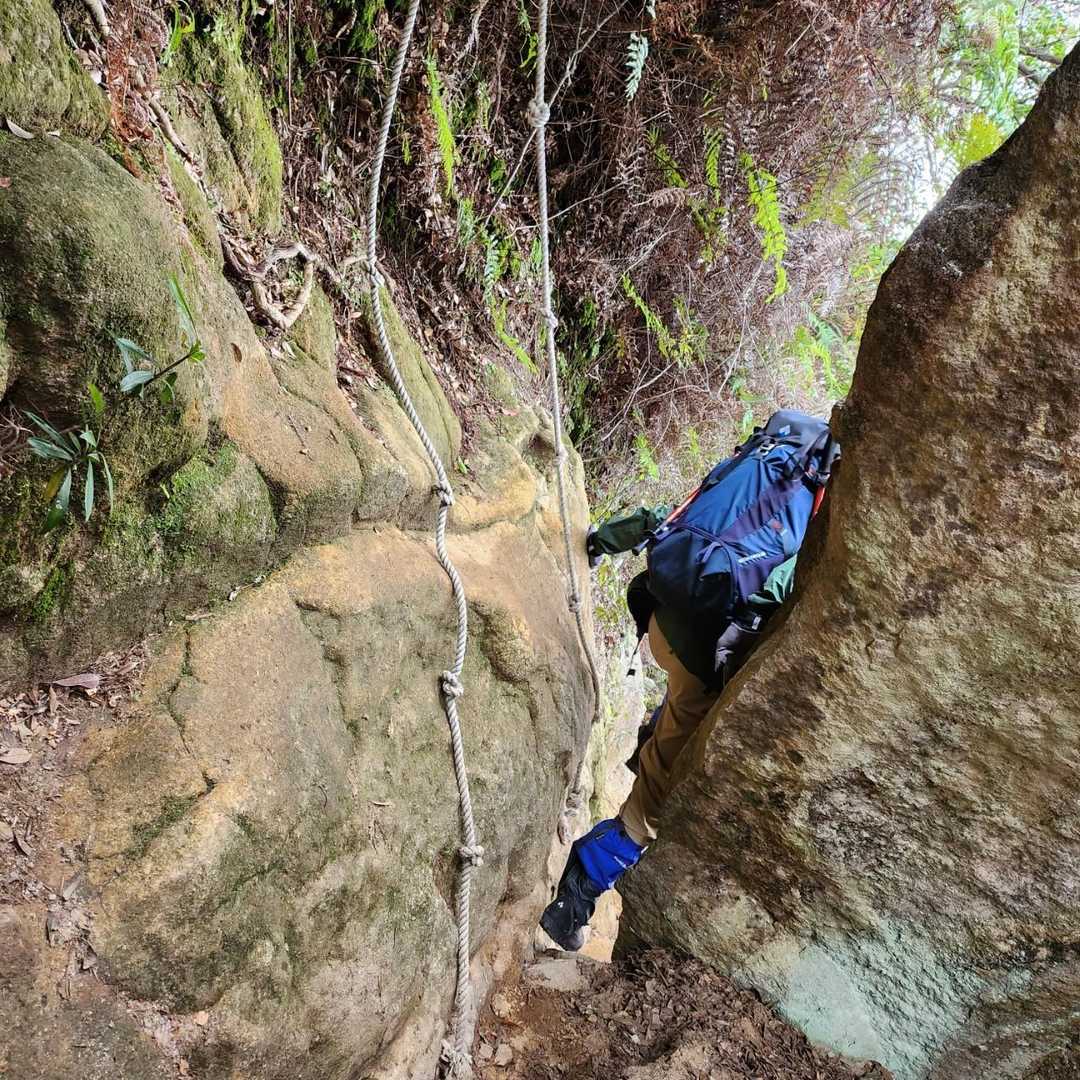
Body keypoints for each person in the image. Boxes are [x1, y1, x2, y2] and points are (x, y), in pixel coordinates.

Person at [539, 509, 799, 952]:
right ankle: (573, 897)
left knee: (675, 725)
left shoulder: (767, 482)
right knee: (651, 810)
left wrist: (603, 540)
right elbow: (768, 602)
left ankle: (652, 744)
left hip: (665, 618)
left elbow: (674, 518)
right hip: (700, 659)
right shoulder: (808, 523)